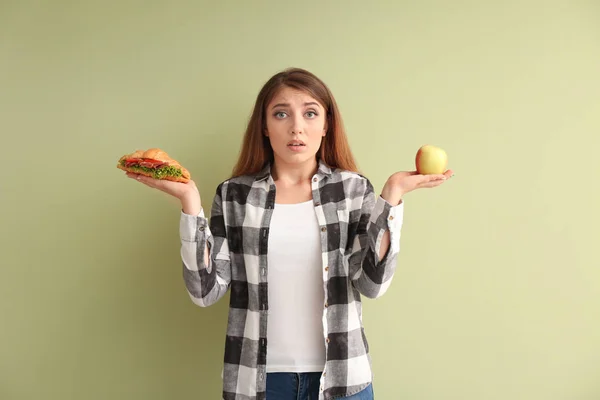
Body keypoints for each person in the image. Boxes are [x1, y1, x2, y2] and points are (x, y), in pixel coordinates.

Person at [125, 67, 453, 400]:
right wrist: (189, 202)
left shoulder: (352, 190)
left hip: (343, 380)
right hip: (257, 383)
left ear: (326, 125)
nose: (296, 127)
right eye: (281, 114)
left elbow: (372, 284)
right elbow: (204, 290)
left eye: (310, 113)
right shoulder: (234, 195)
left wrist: (392, 195)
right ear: (265, 127)